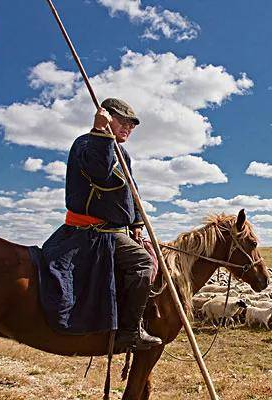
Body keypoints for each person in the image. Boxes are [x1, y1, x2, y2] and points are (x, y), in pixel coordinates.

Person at [39, 98, 162, 350]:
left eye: (132, 125)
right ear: (106, 116)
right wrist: (99, 133)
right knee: (143, 262)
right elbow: (100, 173)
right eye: (123, 122)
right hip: (92, 232)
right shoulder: (87, 143)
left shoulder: (121, 152)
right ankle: (130, 332)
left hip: (116, 230)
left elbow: (131, 192)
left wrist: (136, 223)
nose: (128, 128)